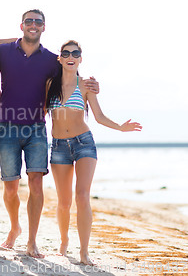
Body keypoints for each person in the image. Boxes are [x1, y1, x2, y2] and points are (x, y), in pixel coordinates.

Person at [0, 9, 99, 256]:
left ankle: (31, 241)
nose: (33, 25)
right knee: (10, 188)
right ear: (21, 25)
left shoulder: (52, 60)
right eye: (29, 21)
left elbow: (70, 77)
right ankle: (14, 227)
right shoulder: (4, 52)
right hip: (6, 125)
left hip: (37, 128)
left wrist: (92, 85)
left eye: (38, 22)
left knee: (36, 184)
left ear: (44, 27)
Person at [46, 40, 141, 265]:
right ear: (59, 58)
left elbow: (98, 116)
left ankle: (84, 252)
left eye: (75, 53)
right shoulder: (50, 84)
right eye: (66, 53)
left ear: (80, 58)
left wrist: (120, 127)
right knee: (63, 202)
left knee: (82, 196)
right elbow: (37, 110)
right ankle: (64, 241)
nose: (71, 56)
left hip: (83, 143)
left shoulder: (86, 85)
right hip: (58, 145)